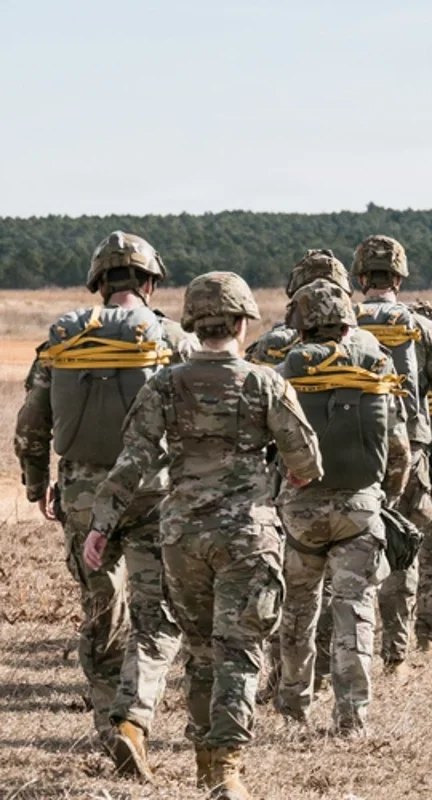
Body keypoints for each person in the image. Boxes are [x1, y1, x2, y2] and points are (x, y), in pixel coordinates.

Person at [84, 272, 323, 799]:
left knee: (199, 652)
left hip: (181, 536)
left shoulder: (164, 385)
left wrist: (101, 524)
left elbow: (133, 461)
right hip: (247, 537)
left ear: (192, 322)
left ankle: (203, 763)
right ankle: (226, 770)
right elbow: (307, 462)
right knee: (239, 650)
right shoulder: (266, 384)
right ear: (241, 324)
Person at [14, 231, 190, 779]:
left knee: (100, 608)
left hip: (83, 495)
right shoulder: (172, 338)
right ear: (150, 281)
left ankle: (108, 727)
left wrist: (36, 483)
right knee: (156, 612)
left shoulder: (63, 339)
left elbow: (31, 423)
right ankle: (134, 716)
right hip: (153, 491)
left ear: (98, 283)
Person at [274, 279, 410, 736]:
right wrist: (385, 495)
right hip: (360, 507)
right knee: (355, 609)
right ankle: (352, 717)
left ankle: (293, 704)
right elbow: (399, 450)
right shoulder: (376, 364)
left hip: (301, 510)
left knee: (298, 608)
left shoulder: (287, 368)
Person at [352, 235, 432, 666]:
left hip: (349, 448)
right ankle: (396, 655)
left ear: (361, 277)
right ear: (399, 278)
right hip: (409, 449)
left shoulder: (342, 322)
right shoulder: (422, 327)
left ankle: (340, 654)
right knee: (402, 544)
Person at [245, 248, 355, 706]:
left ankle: (285, 679)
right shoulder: (365, 350)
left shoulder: (271, 346)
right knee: (340, 591)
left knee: (291, 587)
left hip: (286, 483)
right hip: (352, 484)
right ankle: (325, 673)